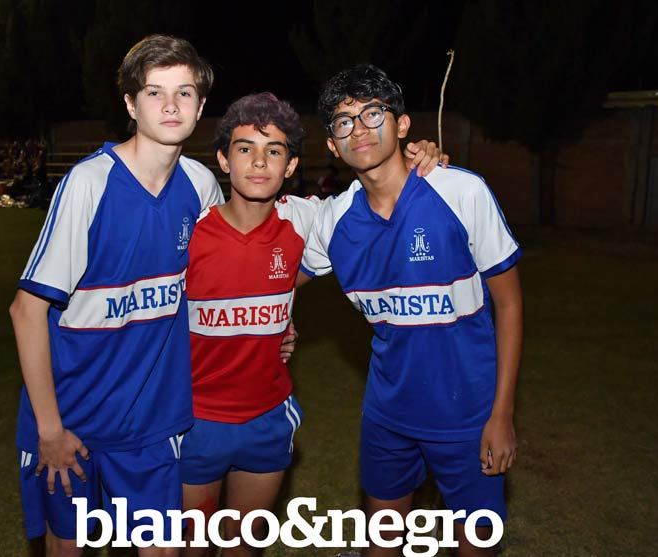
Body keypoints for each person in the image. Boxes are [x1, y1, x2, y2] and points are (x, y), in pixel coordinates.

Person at [180, 92, 446, 557]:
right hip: (193, 420)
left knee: (243, 548)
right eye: (244, 148)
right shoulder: (189, 231)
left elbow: (376, 192)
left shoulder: (306, 218)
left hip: (266, 417)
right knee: (189, 549)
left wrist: (418, 156)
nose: (258, 162)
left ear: (291, 166)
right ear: (223, 160)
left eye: (274, 150)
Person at [9, 35, 227, 557]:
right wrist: (50, 430)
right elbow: (27, 310)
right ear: (130, 104)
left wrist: (274, 328)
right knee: (68, 546)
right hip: (72, 421)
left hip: (151, 421)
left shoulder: (200, 185)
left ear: (200, 106)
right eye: (154, 92)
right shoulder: (90, 183)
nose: (171, 105)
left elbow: (224, 277)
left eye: (185, 92)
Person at [299, 65, 523, 557]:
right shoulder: (332, 222)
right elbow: (272, 283)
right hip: (388, 413)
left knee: (477, 544)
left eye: (372, 113)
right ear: (332, 144)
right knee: (382, 542)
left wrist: (502, 413)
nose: (359, 129)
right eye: (343, 121)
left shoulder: (460, 192)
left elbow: (508, 302)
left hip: (468, 413)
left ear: (401, 125)